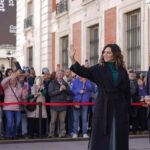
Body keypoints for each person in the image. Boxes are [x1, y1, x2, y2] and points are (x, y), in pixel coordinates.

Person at [69, 44, 131, 150]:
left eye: (108, 52)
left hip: (119, 107)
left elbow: (127, 92)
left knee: (118, 133)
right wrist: (72, 58)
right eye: (104, 52)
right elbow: (84, 71)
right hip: (104, 106)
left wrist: (127, 110)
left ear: (115, 54)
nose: (105, 54)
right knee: (102, 135)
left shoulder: (122, 71)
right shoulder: (99, 68)